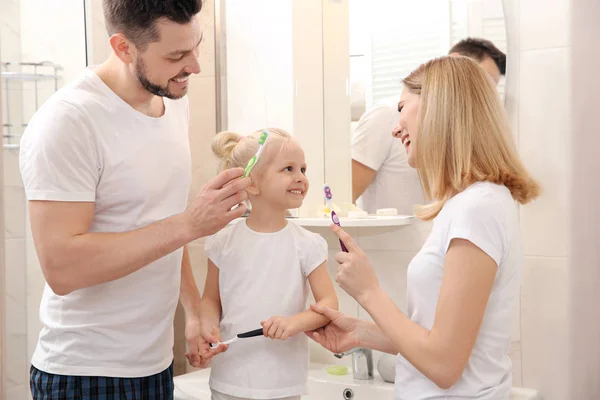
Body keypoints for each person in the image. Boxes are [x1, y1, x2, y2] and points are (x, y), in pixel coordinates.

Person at [20, 1, 246, 398]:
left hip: (155, 366)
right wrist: (192, 223)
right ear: (124, 48)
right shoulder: (69, 122)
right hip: (84, 374)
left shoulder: (173, 100)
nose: (194, 66)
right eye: (176, 55)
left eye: (196, 47)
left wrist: (192, 309)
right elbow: (62, 268)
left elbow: (160, 220)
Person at [307, 56, 540, 399]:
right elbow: (445, 340)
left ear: (439, 107)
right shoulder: (472, 204)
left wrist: (369, 291)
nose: (395, 127)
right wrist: (361, 333)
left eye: (402, 107)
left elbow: (444, 365)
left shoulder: (478, 208)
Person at [199, 128, 339, 400]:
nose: (301, 177)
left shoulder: (307, 244)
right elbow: (210, 300)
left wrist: (296, 322)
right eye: (288, 168)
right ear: (251, 183)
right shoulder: (222, 241)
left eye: (303, 169)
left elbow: (329, 305)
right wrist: (207, 326)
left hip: (283, 384)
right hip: (229, 380)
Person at [352, 37, 506, 215]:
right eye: (485, 80)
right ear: (455, 61)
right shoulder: (385, 116)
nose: (487, 92)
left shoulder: (476, 195)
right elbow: (344, 197)